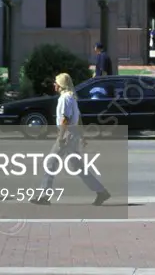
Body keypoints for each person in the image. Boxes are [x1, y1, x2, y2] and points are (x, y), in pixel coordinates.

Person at [34, 72, 110, 207]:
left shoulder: (65, 98)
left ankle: (44, 195)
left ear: (61, 84)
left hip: (67, 134)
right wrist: (82, 136)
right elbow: (78, 119)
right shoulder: (72, 97)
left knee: (51, 163)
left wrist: (61, 136)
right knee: (77, 167)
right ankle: (101, 191)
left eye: (56, 82)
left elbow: (65, 119)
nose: (54, 84)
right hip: (72, 134)